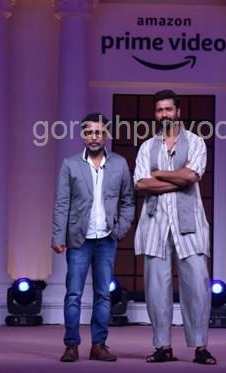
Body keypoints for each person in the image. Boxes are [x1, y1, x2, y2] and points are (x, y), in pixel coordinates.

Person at [133, 90, 217, 365]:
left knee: (198, 287)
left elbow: (193, 175)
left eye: (169, 109)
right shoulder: (147, 146)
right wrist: (178, 178)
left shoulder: (195, 142)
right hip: (155, 224)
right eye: (160, 110)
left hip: (189, 225)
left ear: (178, 112)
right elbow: (141, 183)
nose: (164, 114)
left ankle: (200, 347)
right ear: (155, 114)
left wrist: (158, 174)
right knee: (156, 289)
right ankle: (163, 346)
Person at [52, 112, 135, 362]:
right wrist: (58, 236)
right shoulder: (70, 164)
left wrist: (119, 230)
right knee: (73, 294)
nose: (94, 137)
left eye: (99, 132)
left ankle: (99, 345)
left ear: (106, 134)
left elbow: (128, 201)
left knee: (103, 294)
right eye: (89, 132)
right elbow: (61, 203)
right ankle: (71, 345)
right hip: (79, 239)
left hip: (107, 238)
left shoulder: (119, 164)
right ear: (83, 135)